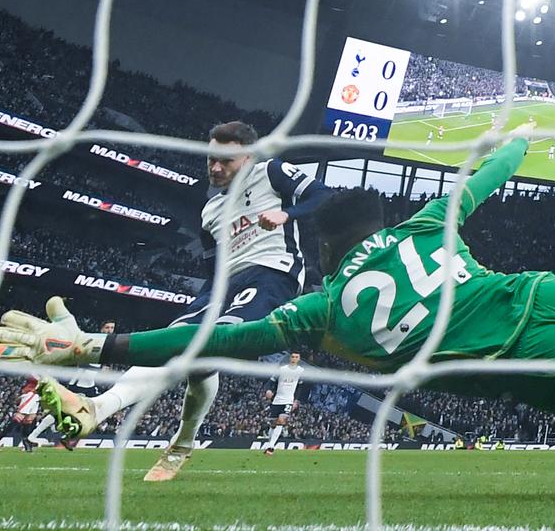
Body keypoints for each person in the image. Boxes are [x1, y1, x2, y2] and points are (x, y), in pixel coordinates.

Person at [0, 131, 555, 494]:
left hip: (539, 356)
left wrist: (101, 343)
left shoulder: (319, 311)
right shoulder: (423, 220)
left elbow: (209, 339)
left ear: (328, 248)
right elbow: (480, 181)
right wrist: (521, 137)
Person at [34, 121, 332, 481]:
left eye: (227, 160)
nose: (216, 167)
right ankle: (100, 411)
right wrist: (205, 300)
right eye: (212, 160)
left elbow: (323, 195)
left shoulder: (271, 171)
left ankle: (125, 401)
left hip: (273, 272)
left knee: (209, 343)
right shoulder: (210, 211)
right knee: (179, 349)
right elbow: (213, 264)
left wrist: (288, 213)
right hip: (222, 285)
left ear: (248, 156)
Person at [26, 320, 116, 450]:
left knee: (89, 412)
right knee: (64, 411)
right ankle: (33, 437)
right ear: (101, 328)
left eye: (112, 327)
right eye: (107, 327)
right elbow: (80, 357)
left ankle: (66, 437)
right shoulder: (93, 340)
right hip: (78, 383)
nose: (109, 330)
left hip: (89, 385)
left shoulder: (109, 345)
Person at [262, 352, 304, 455]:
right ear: (290, 358)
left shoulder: (301, 371)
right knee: (273, 424)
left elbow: (300, 387)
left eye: (296, 357)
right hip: (277, 399)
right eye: (293, 357)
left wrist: (296, 400)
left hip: (288, 400)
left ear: (299, 359)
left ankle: (271, 447)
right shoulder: (282, 370)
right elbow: (271, 381)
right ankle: (269, 444)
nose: (294, 359)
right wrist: (268, 390)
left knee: (281, 421)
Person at [0, 378, 39, 452]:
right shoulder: (35, 371)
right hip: (31, 393)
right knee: (18, 418)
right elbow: (33, 377)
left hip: (37, 395)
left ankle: (25, 445)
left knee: (28, 421)